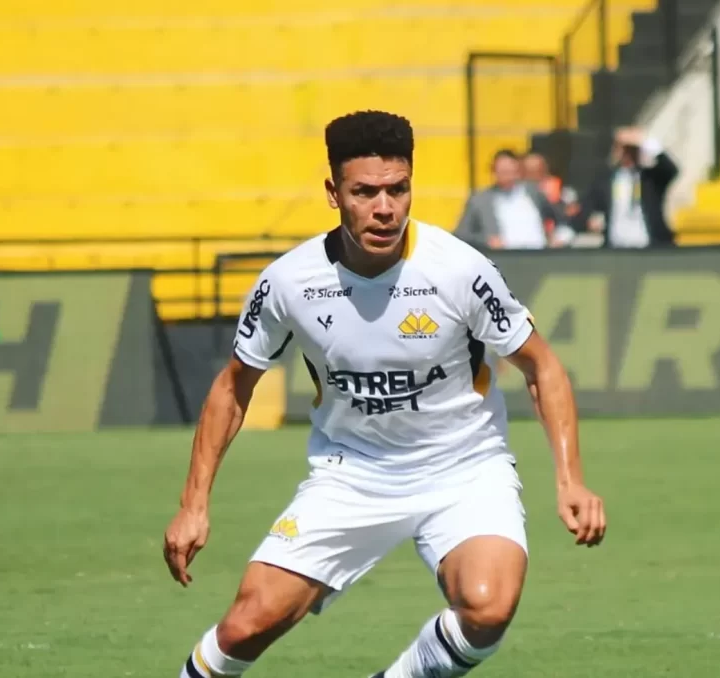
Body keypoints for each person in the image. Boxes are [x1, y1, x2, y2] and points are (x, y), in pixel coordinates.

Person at [163, 110, 607, 678]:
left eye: (398, 189)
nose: (385, 208)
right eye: (365, 192)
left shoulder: (459, 270)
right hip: (351, 475)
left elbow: (541, 365)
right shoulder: (287, 283)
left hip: (463, 468)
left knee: (488, 604)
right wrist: (194, 504)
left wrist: (570, 478)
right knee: (248, 624)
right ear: (334, 193)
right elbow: (233, 386)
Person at [582, 127, 679, 248]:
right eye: (624, 149)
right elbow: (586, 208)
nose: (628, 154)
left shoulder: (650, 179)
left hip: (650, 248)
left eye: (633, 150)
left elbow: (672, 169)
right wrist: (591, 219)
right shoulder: (605, 181)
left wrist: (644, 140)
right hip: (616, 249)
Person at [454, 149, 571, 250]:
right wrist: (486, 241)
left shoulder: (533, 192)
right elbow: (461, 234)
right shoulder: (480, 201)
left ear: (518, 171)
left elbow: (560, 218)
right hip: (506, 259)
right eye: (502, 171)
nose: (507, 176)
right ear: (494, 172)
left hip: (538, 254)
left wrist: (559, 237)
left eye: (510, 171)